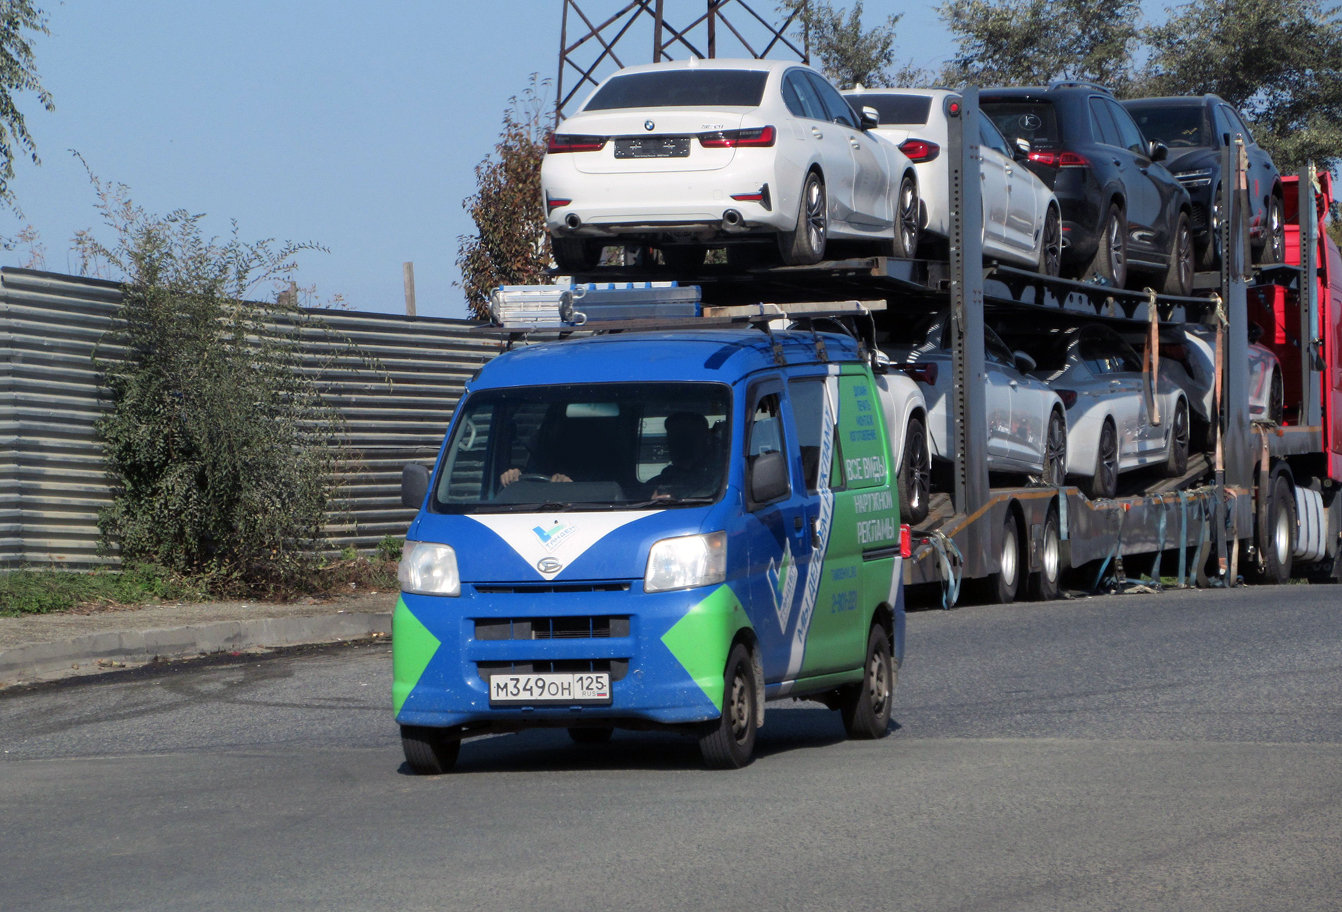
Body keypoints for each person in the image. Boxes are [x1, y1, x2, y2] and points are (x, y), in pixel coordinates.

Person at [647, 411, 718, 499]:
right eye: (673, 438)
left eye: (685, 437)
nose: (679, 444)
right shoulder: (655, 485)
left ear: (705, 440)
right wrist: (652, 503)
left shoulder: (719, 481)